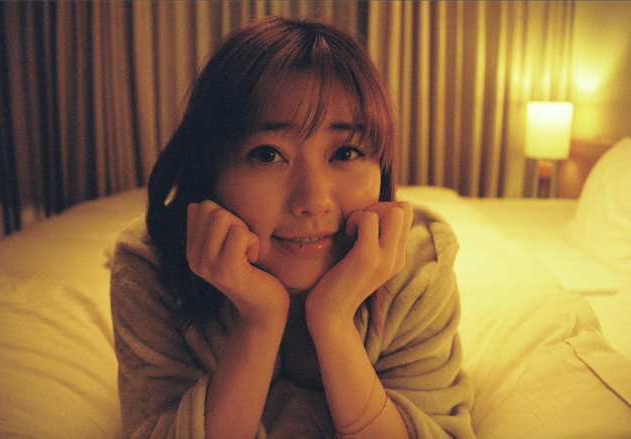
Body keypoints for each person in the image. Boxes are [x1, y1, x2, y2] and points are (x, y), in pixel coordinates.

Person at [111, 16, 474, 439]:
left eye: (346, 152)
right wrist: (259, 321)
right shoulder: (152, 265)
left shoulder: (417, 264)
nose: (313, 201)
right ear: (209, 171)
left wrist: (333, 321)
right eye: (268, 154)